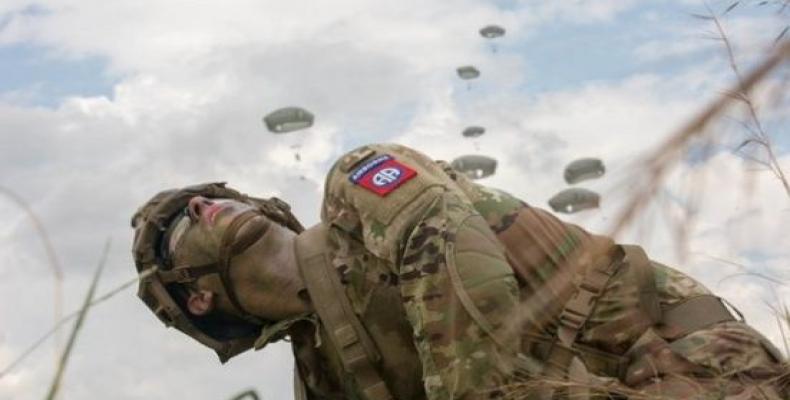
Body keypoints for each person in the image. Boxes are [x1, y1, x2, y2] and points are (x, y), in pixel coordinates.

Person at [131, 143, 787, 400]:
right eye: (175, 231)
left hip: (699, 366)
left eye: (212, 194)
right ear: (195, 299)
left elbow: (444, 246)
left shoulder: (356, 191)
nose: (199, 203)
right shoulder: (324, 377)